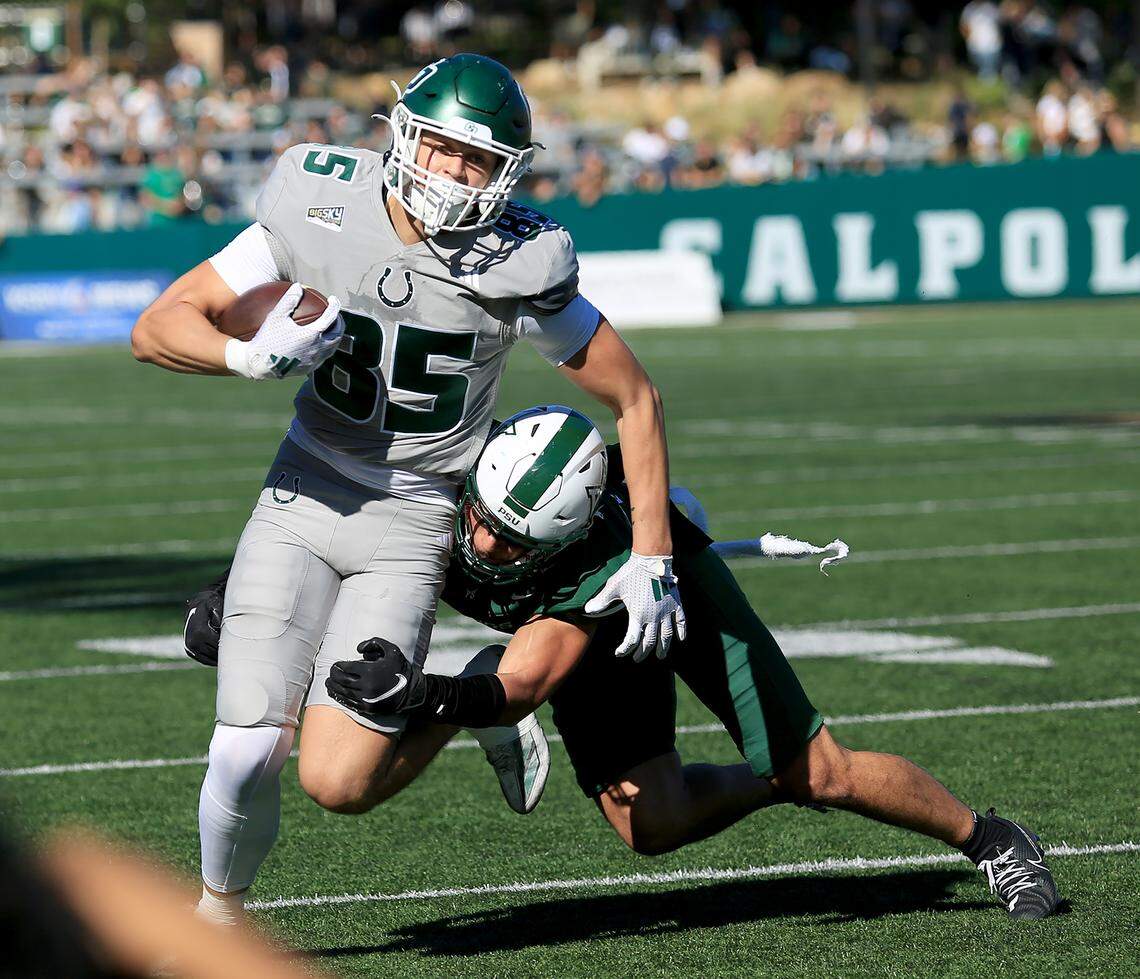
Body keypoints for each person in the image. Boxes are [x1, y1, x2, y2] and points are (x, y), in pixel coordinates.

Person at [132, 54, 682, 925]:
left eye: (479, 160)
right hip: (306, 485)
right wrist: (245, 355)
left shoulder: (519, 258)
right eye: (441, 147)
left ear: (507, 172)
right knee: (243, 749)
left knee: (338, 782)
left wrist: (652, 554)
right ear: (402, 134)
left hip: (416, 513)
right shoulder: (317, 197)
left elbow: (635, 396)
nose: (455, 174)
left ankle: (474, 699)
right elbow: (158, 324)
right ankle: (217, 919)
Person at [189, 406, 1060, 921]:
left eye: (510, 540)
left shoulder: (588, 565)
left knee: (819, 771)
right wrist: (244, 593)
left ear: (558, 540)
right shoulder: (453, 474)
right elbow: (333, 515)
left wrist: (429, 691)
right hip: (553, 615)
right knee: (654, 826)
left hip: (658, 599)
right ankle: (771, 781)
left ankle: (990, 840)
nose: (483, 545)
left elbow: (524, 682)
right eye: (480, 518)